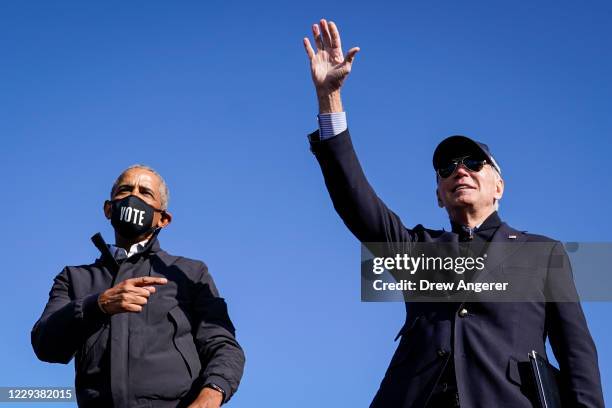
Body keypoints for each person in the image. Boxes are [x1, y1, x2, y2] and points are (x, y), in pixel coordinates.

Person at [303, 19, 604, 407]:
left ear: (499, 187)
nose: (459, 170)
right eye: (446, 168)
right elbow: (354, 200)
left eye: (474, 162)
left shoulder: (543, 253)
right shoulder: (416, 249)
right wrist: (330, 99)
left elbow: (577, 355)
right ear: (438, 196)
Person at [32, 165, 245, 408]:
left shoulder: (190, 273)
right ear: (108, 208)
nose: (133, 197)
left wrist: (211, 395)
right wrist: (97, 305)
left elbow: (224, 347)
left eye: (145, 193)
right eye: (125, 190)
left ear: (163, 219)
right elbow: (45, 345)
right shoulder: (74, 278)